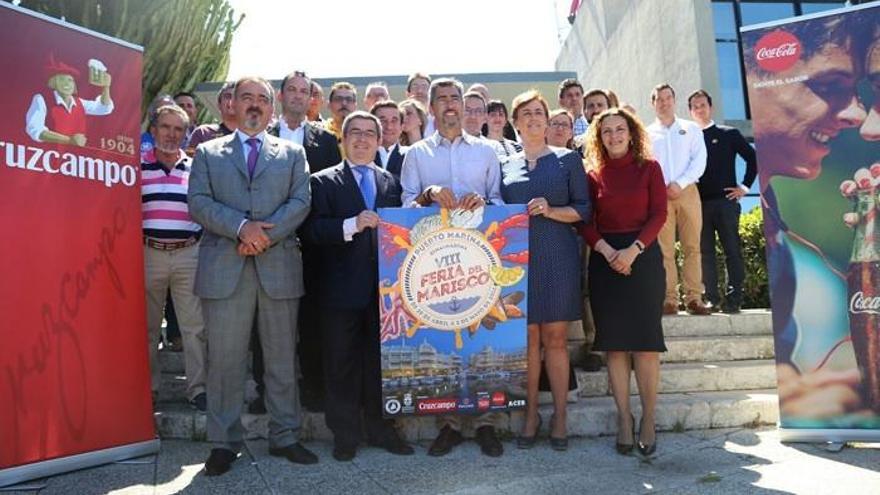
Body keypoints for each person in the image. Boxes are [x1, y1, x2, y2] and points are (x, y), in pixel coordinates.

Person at [188, 76, 317, 476]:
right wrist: (242, 228)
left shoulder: (292, 153)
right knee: (224, 362)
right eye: (247, 98)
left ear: (271, 108)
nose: (255, 105)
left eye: (262, 99)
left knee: (280, 359)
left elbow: (301, 201)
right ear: (232, 104)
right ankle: (223, 443)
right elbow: (198, 202)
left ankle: (285, 436)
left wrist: (264, 235)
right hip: (225, 269)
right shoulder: (208, 153)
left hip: (277, 268)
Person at [399, 77, 504, 457]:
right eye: (440, 99)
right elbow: (405, 204)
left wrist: (484, 203)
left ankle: (486, 424)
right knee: (444, 341)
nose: (448, 105)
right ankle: (448, 424)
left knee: (481, 340)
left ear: (464, 105)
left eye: (454, 98)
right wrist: (427, 196)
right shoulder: (417, 155)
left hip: (478, 259)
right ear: (430, 108)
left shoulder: (488, 152)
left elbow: (499, 201)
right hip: (435, 263)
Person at [301, 111, 413, 461]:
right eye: (355, 133)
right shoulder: (321, 181)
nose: (363, 139)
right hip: (338, 290)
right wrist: (351, 224)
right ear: (343, 139)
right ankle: (345, 435)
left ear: (380, 141)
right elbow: (311, 231)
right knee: (340, 363)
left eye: (370, 133)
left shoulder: (391, 183)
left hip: (384, 293)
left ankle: (382, 430)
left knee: (379, 364)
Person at [501, 90, 590, 451]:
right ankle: (531, 415)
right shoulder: (505, 164)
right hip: (517, 260)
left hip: (557, 254)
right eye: (526, 114)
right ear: (516, 122)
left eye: (539, 112)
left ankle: (561, 417)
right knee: (528, 341)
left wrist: (551, 210)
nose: (534, 118)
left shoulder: (568, 160)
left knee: (555, 339)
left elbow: (584, 209)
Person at [581, 107, 668, 457]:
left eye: (620, 129)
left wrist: (631, 252)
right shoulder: (592, 175)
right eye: (607, 132)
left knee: (646, 345)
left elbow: (659, 214)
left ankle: (648, 417)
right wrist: (605, 250)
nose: (614, 136)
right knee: (615, 346)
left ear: (631, 133)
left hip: (643, 258)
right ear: (598, 139)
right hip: (604, 261)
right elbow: (585, 221)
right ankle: (624, 419)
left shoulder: (650, 169)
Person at [256, 70, 342, 415]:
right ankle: (264, 390)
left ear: (311, 99)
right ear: (280, 96)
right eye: (290, 90)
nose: (296, 96)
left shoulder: (325, 141)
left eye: (303, 91)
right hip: (268, 243)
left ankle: (313, 389)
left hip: (314, 248)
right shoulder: (262, 135)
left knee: (312, 321)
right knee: (263, 321)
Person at [141, 104, 207, 412]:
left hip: (188, 253)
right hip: (148, 253)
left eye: (178, 129)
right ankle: (147, 389)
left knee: (195, 327)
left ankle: (198, 390)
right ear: (153, 130)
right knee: (148, 327)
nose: (171, 134)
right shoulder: (136, 167)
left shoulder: (197, 168)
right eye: (165, 127)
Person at [688, 89, 757, 314]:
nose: (699, 109)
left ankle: (734, 298)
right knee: (705, 252)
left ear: (711, 107)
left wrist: (744, 187)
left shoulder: (729, 134)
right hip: (699, 205)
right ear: (690, 111)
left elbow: (752, 158)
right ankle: (711, 299)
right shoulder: (688, 138)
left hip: (726, 202)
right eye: (695, 106)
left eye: (703, 105)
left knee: (732, 251)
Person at [646, 84, 710, 315]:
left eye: (668, 98)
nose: (664, 102)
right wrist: (661, 188)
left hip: (688, 191)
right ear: (652, 103)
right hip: (659, 196)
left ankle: (694, 298)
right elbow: (646, 166)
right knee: (665, 250)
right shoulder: (647, 133)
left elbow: (699, 160)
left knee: (692, 247)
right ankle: (669, 299)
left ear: (674, 100)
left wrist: (680, 183)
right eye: (659, 99)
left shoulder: (691, 128)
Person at [25, 55, 113, 148]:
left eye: (70, 80)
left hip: (75, 159)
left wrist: (106, 88)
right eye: (62, 79)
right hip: (50, 156)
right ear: (53, 82)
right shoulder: (42, 100)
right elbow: (35, 129)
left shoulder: (80, 103)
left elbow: (104, 108)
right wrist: (69, 140)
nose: (66, 83)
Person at [187, 82, 237, 154]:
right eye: (227, 96)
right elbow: (190, 162)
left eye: (236, 97)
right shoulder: (203, 133)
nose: (231, 101)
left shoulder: (253, 136)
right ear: (219, 105)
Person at [370, 100, 407, 178]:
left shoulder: (411, 155)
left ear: (402, 126)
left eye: (394, 121)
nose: (389, 126)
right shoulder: (362, 156)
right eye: (383, 121)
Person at [323, 82, 357, 158]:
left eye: (349, 99)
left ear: (355, 105)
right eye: (338, 99)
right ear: (329, 105)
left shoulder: (364, 132)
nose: (344, 103)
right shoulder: (321, 131)